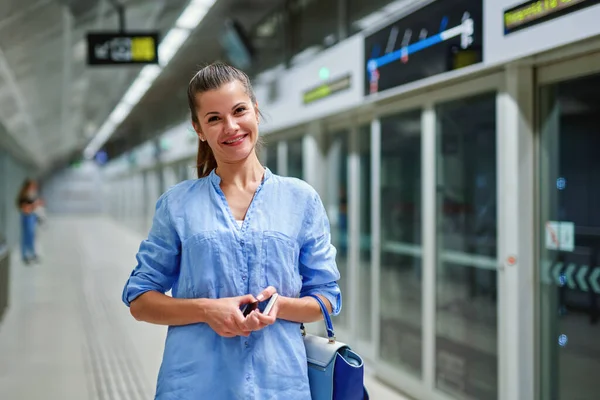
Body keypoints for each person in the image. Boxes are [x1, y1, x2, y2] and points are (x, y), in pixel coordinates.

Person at [122, 62, 342, 399]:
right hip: (195, 385)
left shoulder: (300, 199)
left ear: (255, 110)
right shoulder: (177, 205)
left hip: (279, 385)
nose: (231, 126)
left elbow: (326, 298)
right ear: (199, 129)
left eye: (239, 111)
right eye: (214, 118)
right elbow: (140, 300)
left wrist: (277, 306)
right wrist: (207, 310)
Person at [16, 179, 43, 264]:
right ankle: (26, 255)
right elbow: (23, 205)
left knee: (32, 236)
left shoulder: (31, 194)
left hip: (31, 215)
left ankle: (32, 253)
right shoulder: (24, 195)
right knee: (27, 236)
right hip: (26, 216)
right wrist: (33, 205)